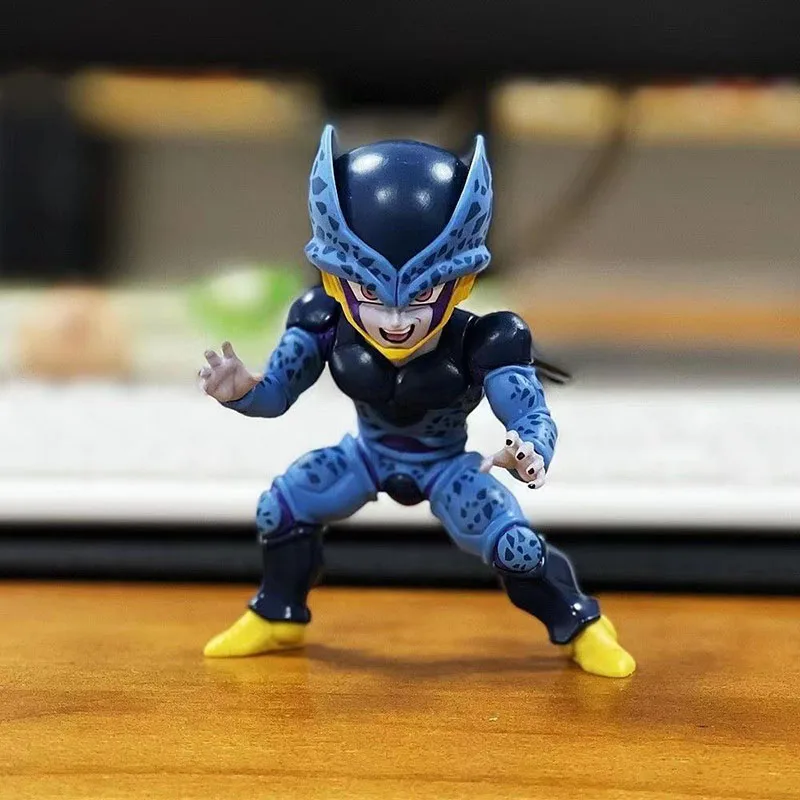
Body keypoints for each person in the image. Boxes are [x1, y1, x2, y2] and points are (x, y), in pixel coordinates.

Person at [198, 125, 635, 678]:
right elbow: (276, 394)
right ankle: (278, 613)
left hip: (447, 466)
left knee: (518, 549)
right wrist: (241, 392)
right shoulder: (320, 319)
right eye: (371, 293)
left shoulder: (486, 340)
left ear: (461, 282)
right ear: (336, 279)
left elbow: (531, 415)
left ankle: (581, 623)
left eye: (422, 295)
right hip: (366, 454)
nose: (395, 321)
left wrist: (528, 451)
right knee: (280, 508)